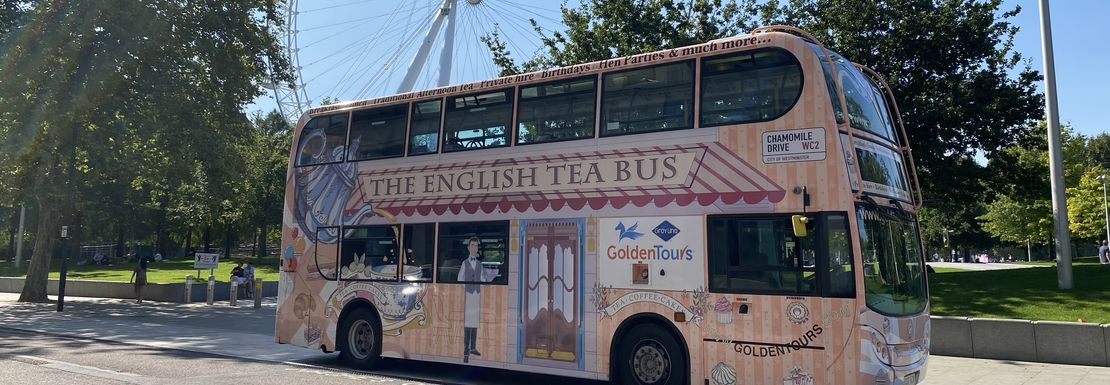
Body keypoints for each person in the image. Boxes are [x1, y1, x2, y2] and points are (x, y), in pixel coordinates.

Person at [457, 237, 498, 363]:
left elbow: (481, 279)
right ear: (468, 248)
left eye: (476, 245)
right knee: (468, 322)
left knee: (474, 321)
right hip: (470, 295)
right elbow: (460, 279)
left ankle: (473, 347)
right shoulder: (465, 263)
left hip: (477, 295)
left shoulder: (480, 264)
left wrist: (490, 277)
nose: (474, 248)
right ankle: (466, 350)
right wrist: (468, 287)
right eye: (472, 245)